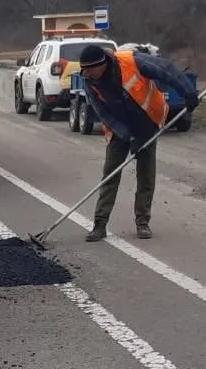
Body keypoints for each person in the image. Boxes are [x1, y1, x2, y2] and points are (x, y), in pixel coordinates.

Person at [75, 42, 199, 241]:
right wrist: (129, 137)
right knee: (110, 175)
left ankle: (142, 222)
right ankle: (99, 224)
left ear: (101, 64)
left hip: (147, 121)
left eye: (89, 69)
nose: (86, 74)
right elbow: (103, 114)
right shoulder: (89, 82)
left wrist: (188, 91)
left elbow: (165, 70)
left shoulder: (132, 61)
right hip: (119, 128)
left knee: (146, 175)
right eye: (84, 70)